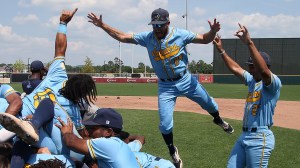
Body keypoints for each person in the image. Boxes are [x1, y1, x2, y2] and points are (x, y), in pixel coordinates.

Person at [87, 8, 234, 167]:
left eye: (160, 25)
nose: (157, 28)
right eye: (154, 25)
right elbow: (123, 37)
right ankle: (172, 150)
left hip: (185, 79)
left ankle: (218, 120)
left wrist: (212, 31)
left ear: (168, 23)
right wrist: (102, 25)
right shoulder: (147, 37)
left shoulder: (180, 34)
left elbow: (205, 39)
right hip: (166, 85)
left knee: (209, 104)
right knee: (165, 124)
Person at [0, 8, 97, 167]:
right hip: (31, 129)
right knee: (64, 150)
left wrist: (63, 24)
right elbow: (79, 136)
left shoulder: (58, 75)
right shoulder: (71, 110)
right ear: (81, 95)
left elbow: (60, 49)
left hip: (16, 116)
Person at [213, 24, 281, 168]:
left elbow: (263, 72)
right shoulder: (252, 81)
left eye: (252, 66)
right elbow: (236, 68)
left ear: (263, 65)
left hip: (260, 138)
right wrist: (221, 50)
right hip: (244, 136)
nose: (249, 69)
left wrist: (249, 43)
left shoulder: (272, 82)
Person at [56, 108, 141, 168]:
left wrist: (67, 132)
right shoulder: (120, 145)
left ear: (108, 132)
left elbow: (70, 142)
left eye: (93, 128)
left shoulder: (108, 144)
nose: (89, 132)